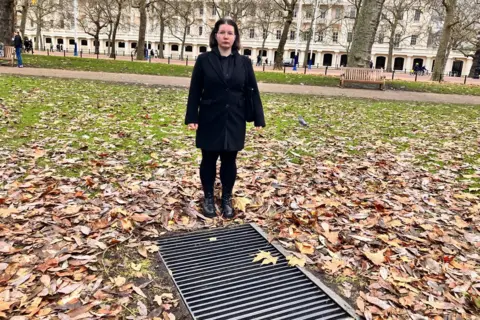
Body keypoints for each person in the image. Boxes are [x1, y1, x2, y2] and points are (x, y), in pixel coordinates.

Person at [185, 18, 266, 219]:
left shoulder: (244, 62)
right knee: (209, 159)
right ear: (215, 35)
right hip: (209, 117)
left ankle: (226, 198)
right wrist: (191, 117)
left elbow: (252, 90)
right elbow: (195, 90)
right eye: (222, 32)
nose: (226, 36)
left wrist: (258, 117)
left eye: (230, 33)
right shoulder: (204, 60)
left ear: (235, 37)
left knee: (230, 160)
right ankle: (209, 198)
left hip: (235, 118)